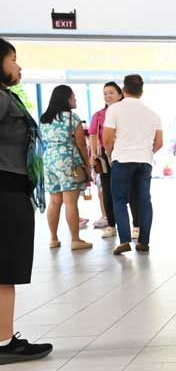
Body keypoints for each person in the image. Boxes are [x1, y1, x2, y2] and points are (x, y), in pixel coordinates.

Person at [0, 38, 53, 364]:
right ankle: (4, 342)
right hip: (6, 189)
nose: (18, 67)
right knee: (6, 267)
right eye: (13, 59)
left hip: (10, 187)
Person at [104, 74, 163, 255]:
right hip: (144, 162)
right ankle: (144, 242)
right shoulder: (152, 114)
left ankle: (124, 240)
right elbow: (159, 142)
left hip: (122, 160)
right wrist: (145, 153)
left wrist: (110, 153)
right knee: (144, 200)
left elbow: (107, 138)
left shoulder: (114, 110)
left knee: (120, 200)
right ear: (141, 91)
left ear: (123, 90)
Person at [39, 85, 93, 250]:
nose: (75, 100)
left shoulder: (44, 118)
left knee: (54, 201)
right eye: (73, 97)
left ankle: (53, 238)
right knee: (70, 202)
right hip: (67, 159)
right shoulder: (71, 117)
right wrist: (87, 164)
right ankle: (75, 239)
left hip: (49, 159)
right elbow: (81, 144)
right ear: (66, 99)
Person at [89, 81, 139, 239]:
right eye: (105, 93)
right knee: (107, 189)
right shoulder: (98, 115)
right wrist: (93, 155)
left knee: (131, 190)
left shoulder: (129, 113)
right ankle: (111, 225)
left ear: (120, 94)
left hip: (125, 153)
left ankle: (136, 225)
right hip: (105, 155)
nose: (107, 96)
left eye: (111, 92)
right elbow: (93, 134)